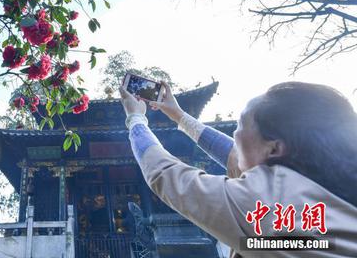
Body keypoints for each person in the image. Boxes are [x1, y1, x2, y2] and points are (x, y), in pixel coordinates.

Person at [120, 81, 357, 257]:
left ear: (274, 148)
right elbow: (234, 155)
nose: (234, 134)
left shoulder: (264, 201)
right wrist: (179, 116)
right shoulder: (320, 188)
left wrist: (135, 119)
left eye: (241, 124)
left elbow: (166, 175)